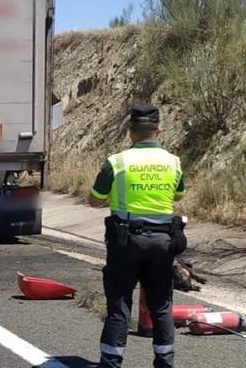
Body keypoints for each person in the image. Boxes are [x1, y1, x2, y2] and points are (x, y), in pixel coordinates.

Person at [88, 106, 187, 368]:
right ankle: (164, 362)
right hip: (162, 243)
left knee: (119, 304)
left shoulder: (117, 162)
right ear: (159, 130)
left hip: (126, 242)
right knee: (162, 306)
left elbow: (94, 200)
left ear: (130, 132)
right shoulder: (173, 162)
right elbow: (179, 195)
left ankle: (111, 362)